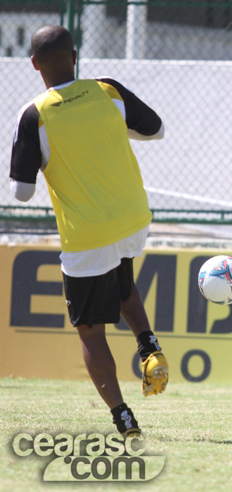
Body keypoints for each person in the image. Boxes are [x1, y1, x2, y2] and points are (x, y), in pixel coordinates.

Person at [10, 25, 169, 437]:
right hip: (134, 218)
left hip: (87, 233)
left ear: (34, 65)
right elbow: (156, 129)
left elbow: (21, 193)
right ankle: (148, 345)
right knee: (121, 280)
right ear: (75, 56)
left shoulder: (34, 114)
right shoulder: (108, 91)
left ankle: (123, 416)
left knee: (90, 331)